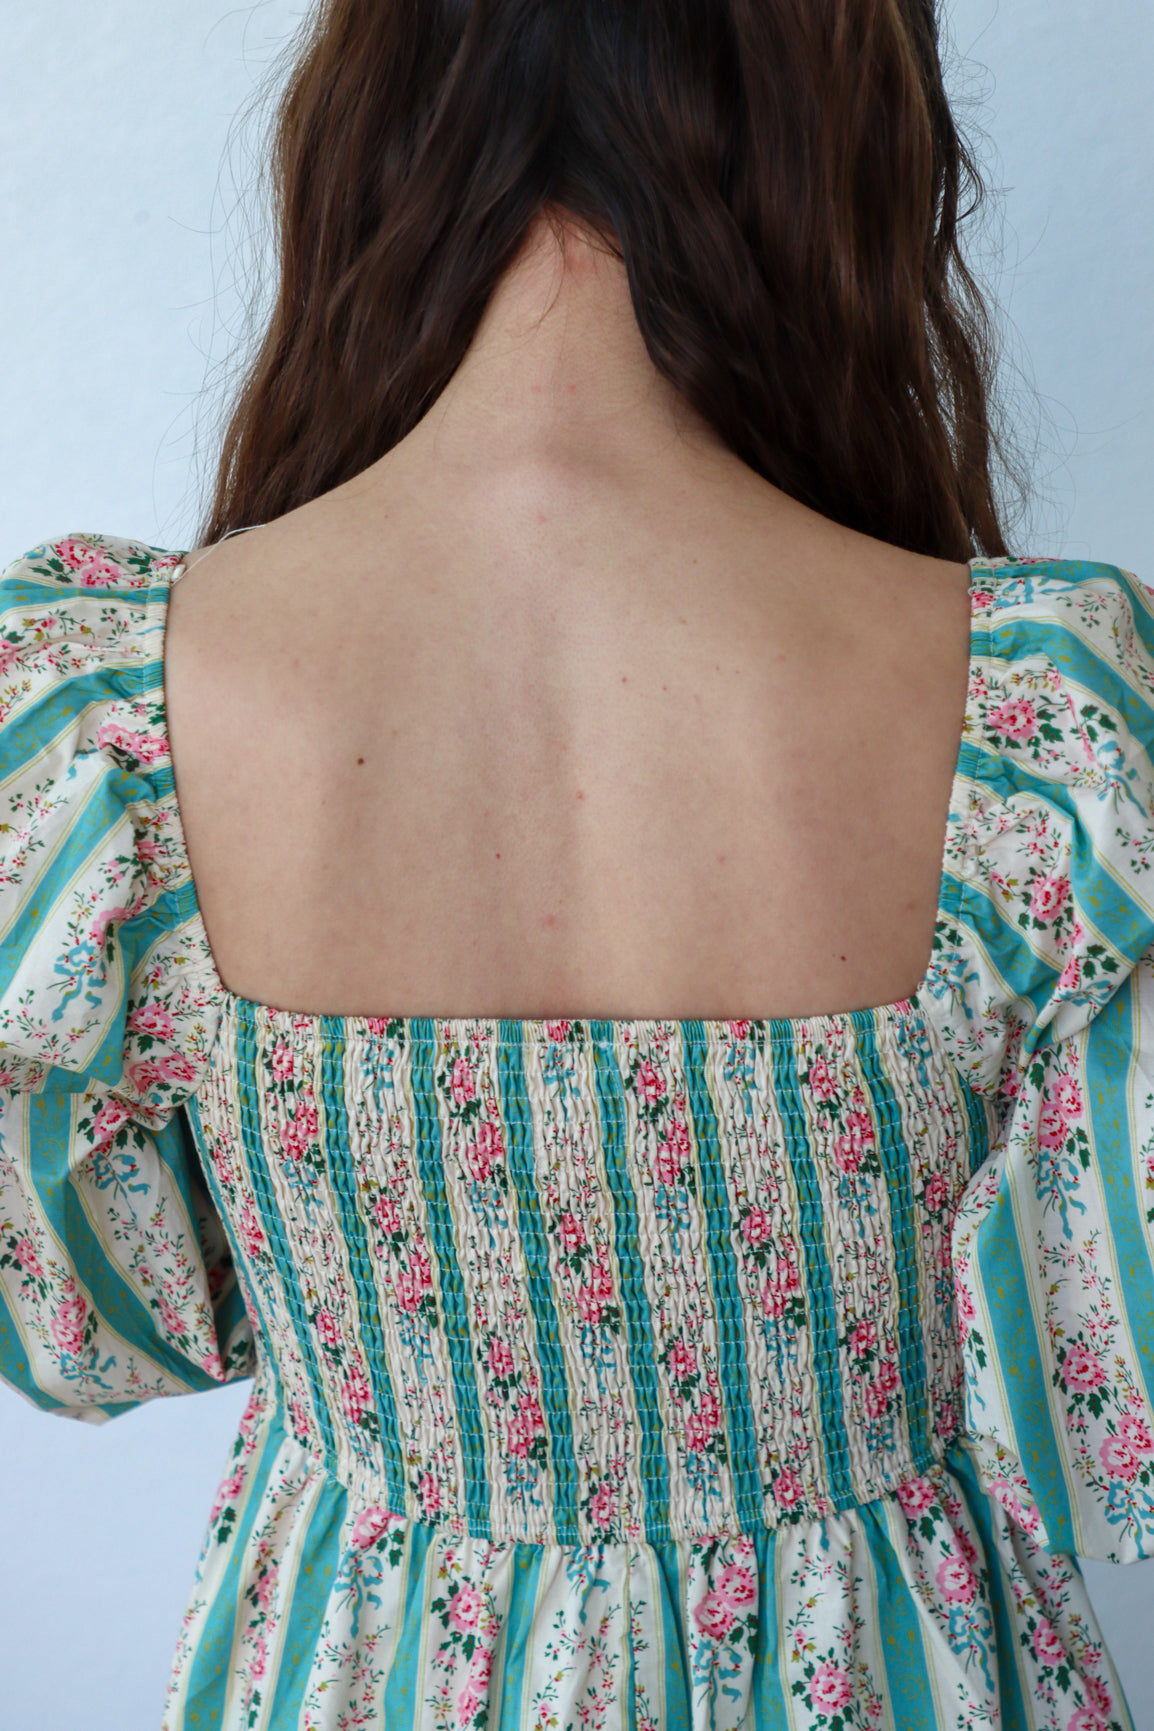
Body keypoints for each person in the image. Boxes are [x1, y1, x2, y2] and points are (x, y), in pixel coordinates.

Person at [0, 1, 1150, 1726]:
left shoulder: (109, 720)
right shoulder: (1047, 720)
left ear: (374, 138)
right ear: (842, 150)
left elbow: (101, 1324)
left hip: (357, 1675)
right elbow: (1112, 1365)